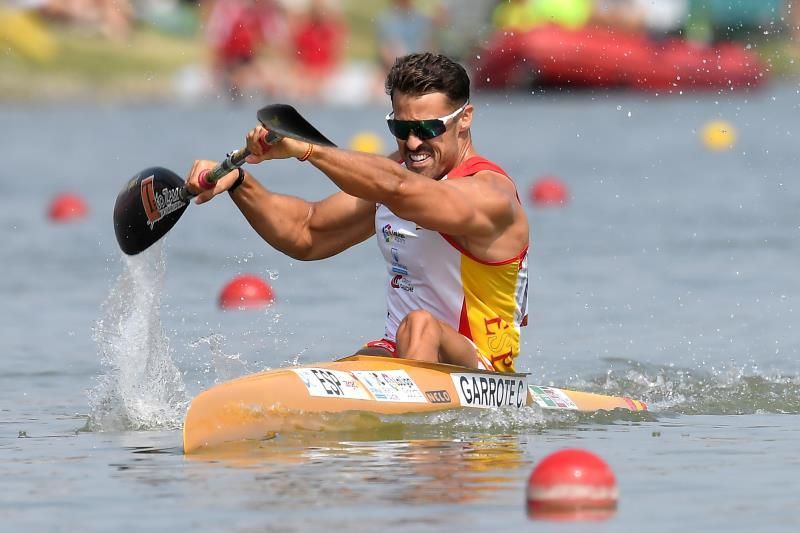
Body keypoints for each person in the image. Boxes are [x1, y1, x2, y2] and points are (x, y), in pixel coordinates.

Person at [184, 53, 530, 373]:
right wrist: (239, 182)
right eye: (401, 129)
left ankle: (419, 432)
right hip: (400, 351)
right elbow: (306, 233)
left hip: (483, 372)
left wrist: (307, 149)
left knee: (420, 324)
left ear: (465, 118)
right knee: (325, 376)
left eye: (427, 129)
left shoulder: (490, 195)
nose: (412, 144)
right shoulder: (390, 180)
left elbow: (400, 189)